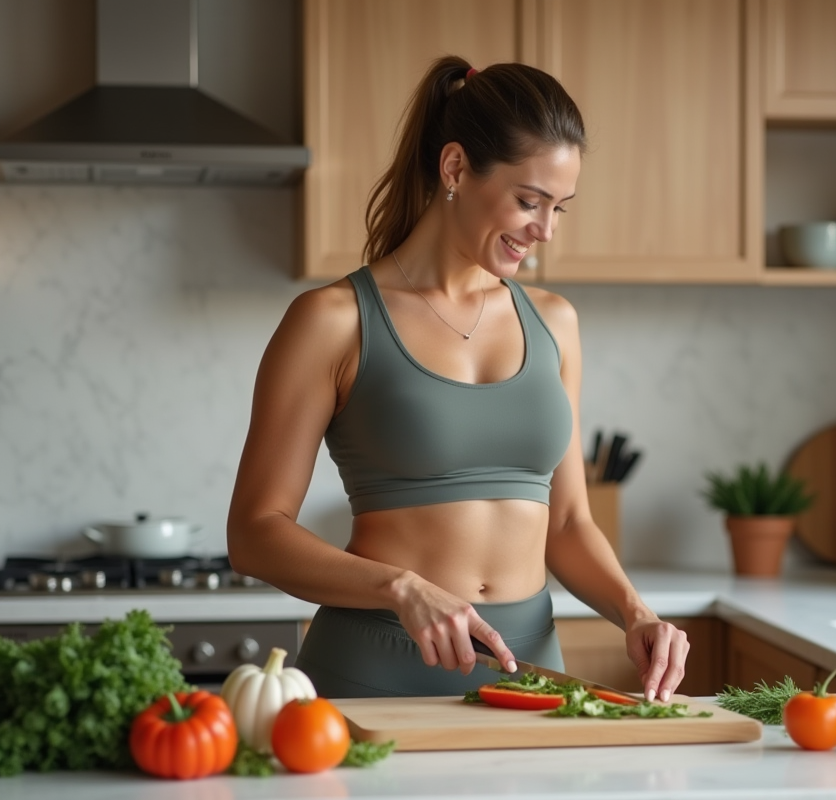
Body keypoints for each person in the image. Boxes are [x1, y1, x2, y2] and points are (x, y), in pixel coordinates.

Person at [227, 55, 689, 700]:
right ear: (455, 168)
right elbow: (254, 532)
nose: (546, 230)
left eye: (561, 208)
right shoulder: (333, 321)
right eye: (529, 201)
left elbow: (568, 523)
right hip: (372, 668)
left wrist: (636, 612)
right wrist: (400, 587)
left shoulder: (555, 323)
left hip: (527, 674)